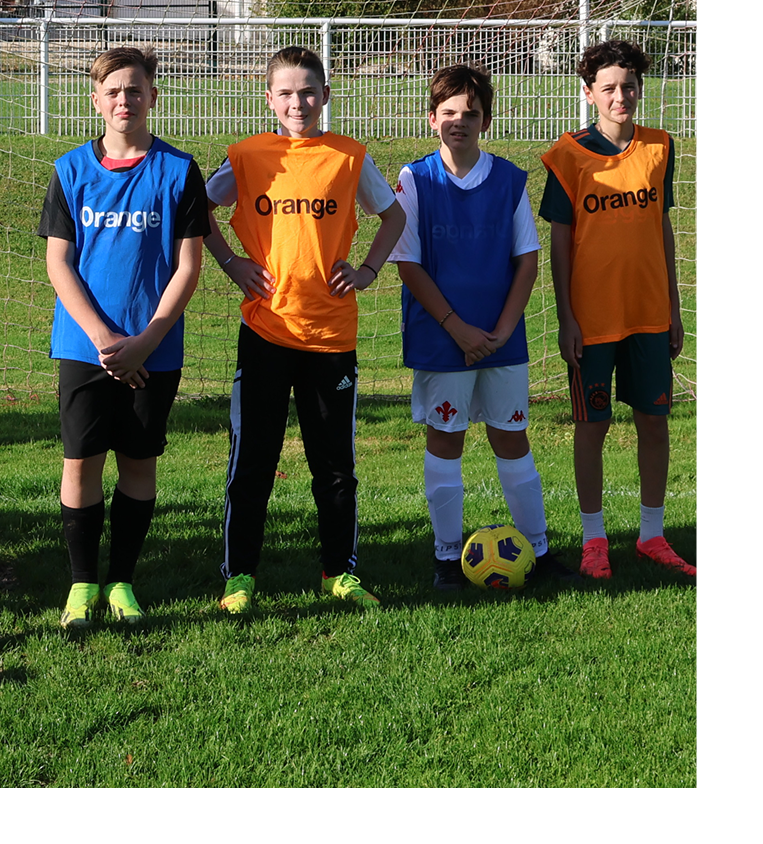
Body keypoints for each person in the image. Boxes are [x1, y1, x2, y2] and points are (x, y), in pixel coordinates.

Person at [201, 46, 406, 614]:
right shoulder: (246, 155)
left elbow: (393, 215)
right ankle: (239, 576)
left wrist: (366, 270)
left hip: (331, 334)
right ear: (269, 99)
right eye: (286, 93)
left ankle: (339, 572)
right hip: (267, 330)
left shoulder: (347, 156)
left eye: (308, 91)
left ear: (326, 96)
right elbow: (197, 206)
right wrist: (230, 262)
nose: (298, 102)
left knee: (334, 464)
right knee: (253, 462)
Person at [389, 65, 577, 590]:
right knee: (446, 439)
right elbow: (408, 263)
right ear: (432, 120)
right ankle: (447, 557)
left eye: (470, 113)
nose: (459, 122)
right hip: (442, 338)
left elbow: (528, 259)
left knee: (512, 438)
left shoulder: (510, 179)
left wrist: (501, 329)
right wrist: (457, 328)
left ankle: (536, 549)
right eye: (449, 112)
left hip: (500, 340)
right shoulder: (414, 180)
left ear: (485, 121)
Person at [38, 47, 207, 628]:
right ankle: (83, 583)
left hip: (153, 349)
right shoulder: (69, 170)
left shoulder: (180, 170)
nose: (124, 100)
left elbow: (188, 266)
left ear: (153, 97)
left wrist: (146, 340)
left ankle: (122, 582)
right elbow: (60, 264)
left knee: (139, 461)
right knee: (80, 462)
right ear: (96, 101)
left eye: (135, 90)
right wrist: (106, 338)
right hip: (85, 348)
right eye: (112, 91)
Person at [540, 40, 693, 579]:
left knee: (654, 423)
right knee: (593, 426)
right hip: (594, 321)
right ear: (589, 95)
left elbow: (663, 229)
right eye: (608, 88)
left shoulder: (660, 147)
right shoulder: (567, 155)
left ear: (639, 90)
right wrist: (566, 319)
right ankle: (594, 539)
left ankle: (652, 535)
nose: (620, 95)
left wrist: (674, 307)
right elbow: (560, 244)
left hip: (649, 315)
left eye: (628, 86)